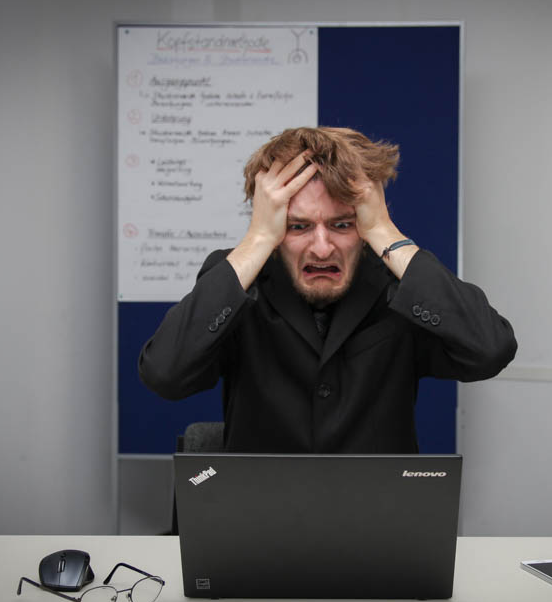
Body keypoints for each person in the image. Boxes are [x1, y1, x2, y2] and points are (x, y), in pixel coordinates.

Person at [138, 127, 516, 453]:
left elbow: (489, 350)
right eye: (298, 226)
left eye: (342, 224)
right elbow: (165, 373)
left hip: (378, 508)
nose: (321, 248)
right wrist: (258, 239)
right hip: (261, 509)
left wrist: (384, 232)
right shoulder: (240, 282)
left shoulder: (397, 283)